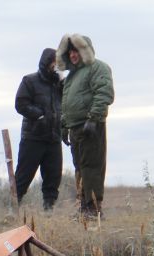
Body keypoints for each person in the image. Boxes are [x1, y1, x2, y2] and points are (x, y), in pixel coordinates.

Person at [57, 34, 114, 218]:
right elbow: (66, 102)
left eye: (77, 51)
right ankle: (84, 207)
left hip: (91, 125)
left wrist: (93, 119)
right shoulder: (72, 76)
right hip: (75, 127)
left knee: (92, 166)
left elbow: (104, 93)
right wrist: (64, 126)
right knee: (80, 167)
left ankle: (94, 208)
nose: (73, 55)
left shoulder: (98, 67)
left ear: (85, 50)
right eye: (70, 52)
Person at [14, 48, 63, 211]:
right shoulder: (29, 81)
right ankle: (12, 209)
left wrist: (63, 82)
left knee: (53, 178)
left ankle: (49, 210)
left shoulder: (59, 84)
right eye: (54, 63)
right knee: (23, 177)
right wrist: (39, 115)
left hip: (54, 137)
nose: (56, 66)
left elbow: (66, 104)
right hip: (33, 137)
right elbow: (20, 104)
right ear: (47, 62)